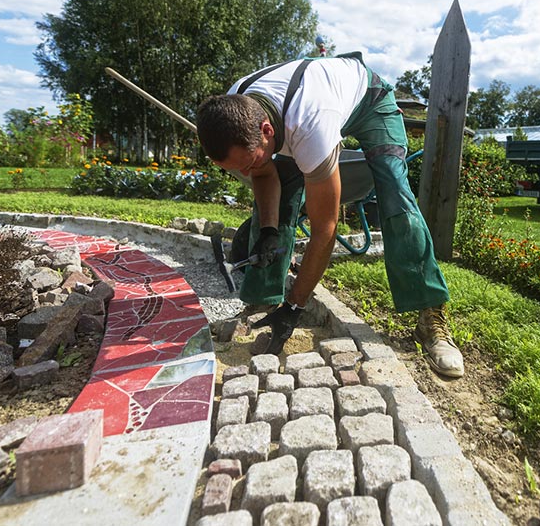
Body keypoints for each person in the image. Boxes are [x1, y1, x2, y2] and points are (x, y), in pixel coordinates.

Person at [196, 53, 464, 378]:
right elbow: (265, 175)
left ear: (267, 130)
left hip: (370, 100)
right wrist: (267, 231)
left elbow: (325, 230)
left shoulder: (312, 123)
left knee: (395, 195)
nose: (245, 173)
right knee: (274, 208)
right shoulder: (239, 105)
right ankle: (262, 302)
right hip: (301, 116)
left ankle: (430, 317)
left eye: (248, 163)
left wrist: (295, 307)